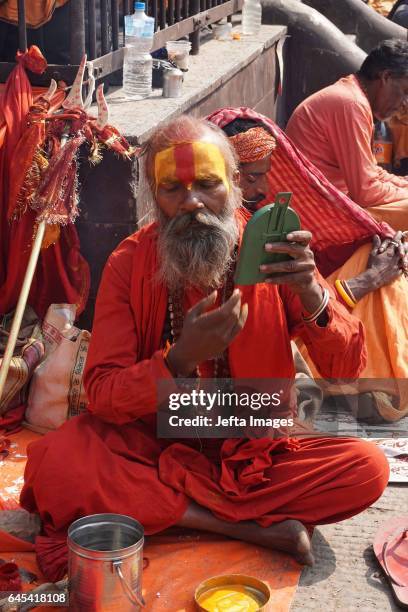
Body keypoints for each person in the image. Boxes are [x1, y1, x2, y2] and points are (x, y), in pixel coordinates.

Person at [20, 115, 388, 581]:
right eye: (173, 189)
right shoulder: (128, 263)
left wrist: (313, 296)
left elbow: (346, 369)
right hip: (153, 445)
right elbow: (104, 396)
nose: (192, 202)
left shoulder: (274, 248)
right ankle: (251, 528)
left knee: (367, 469)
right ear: (155, 196)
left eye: (207, 184)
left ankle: (174, 513)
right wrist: (178, 360)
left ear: (235, 184)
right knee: (57, 464)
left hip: (251, 451)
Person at [208, 106, 408, 422]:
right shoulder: (143, 252)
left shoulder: (261, 226)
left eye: (263, 177)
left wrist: (350, 280)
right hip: (230, 393)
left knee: (378, 258)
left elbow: (295, 310)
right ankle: (380, 385)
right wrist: (367, 280)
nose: (261, 191)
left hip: (293, 358)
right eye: (250, 178)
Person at [286, 39, 408, 229]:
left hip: (333, 204)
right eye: (405, 92)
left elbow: (371, 173)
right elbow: (366, 192)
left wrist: (402, 184)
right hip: (317, 216)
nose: (405, 104)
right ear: (386, 76)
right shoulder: (351, 104)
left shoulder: (354, 97)